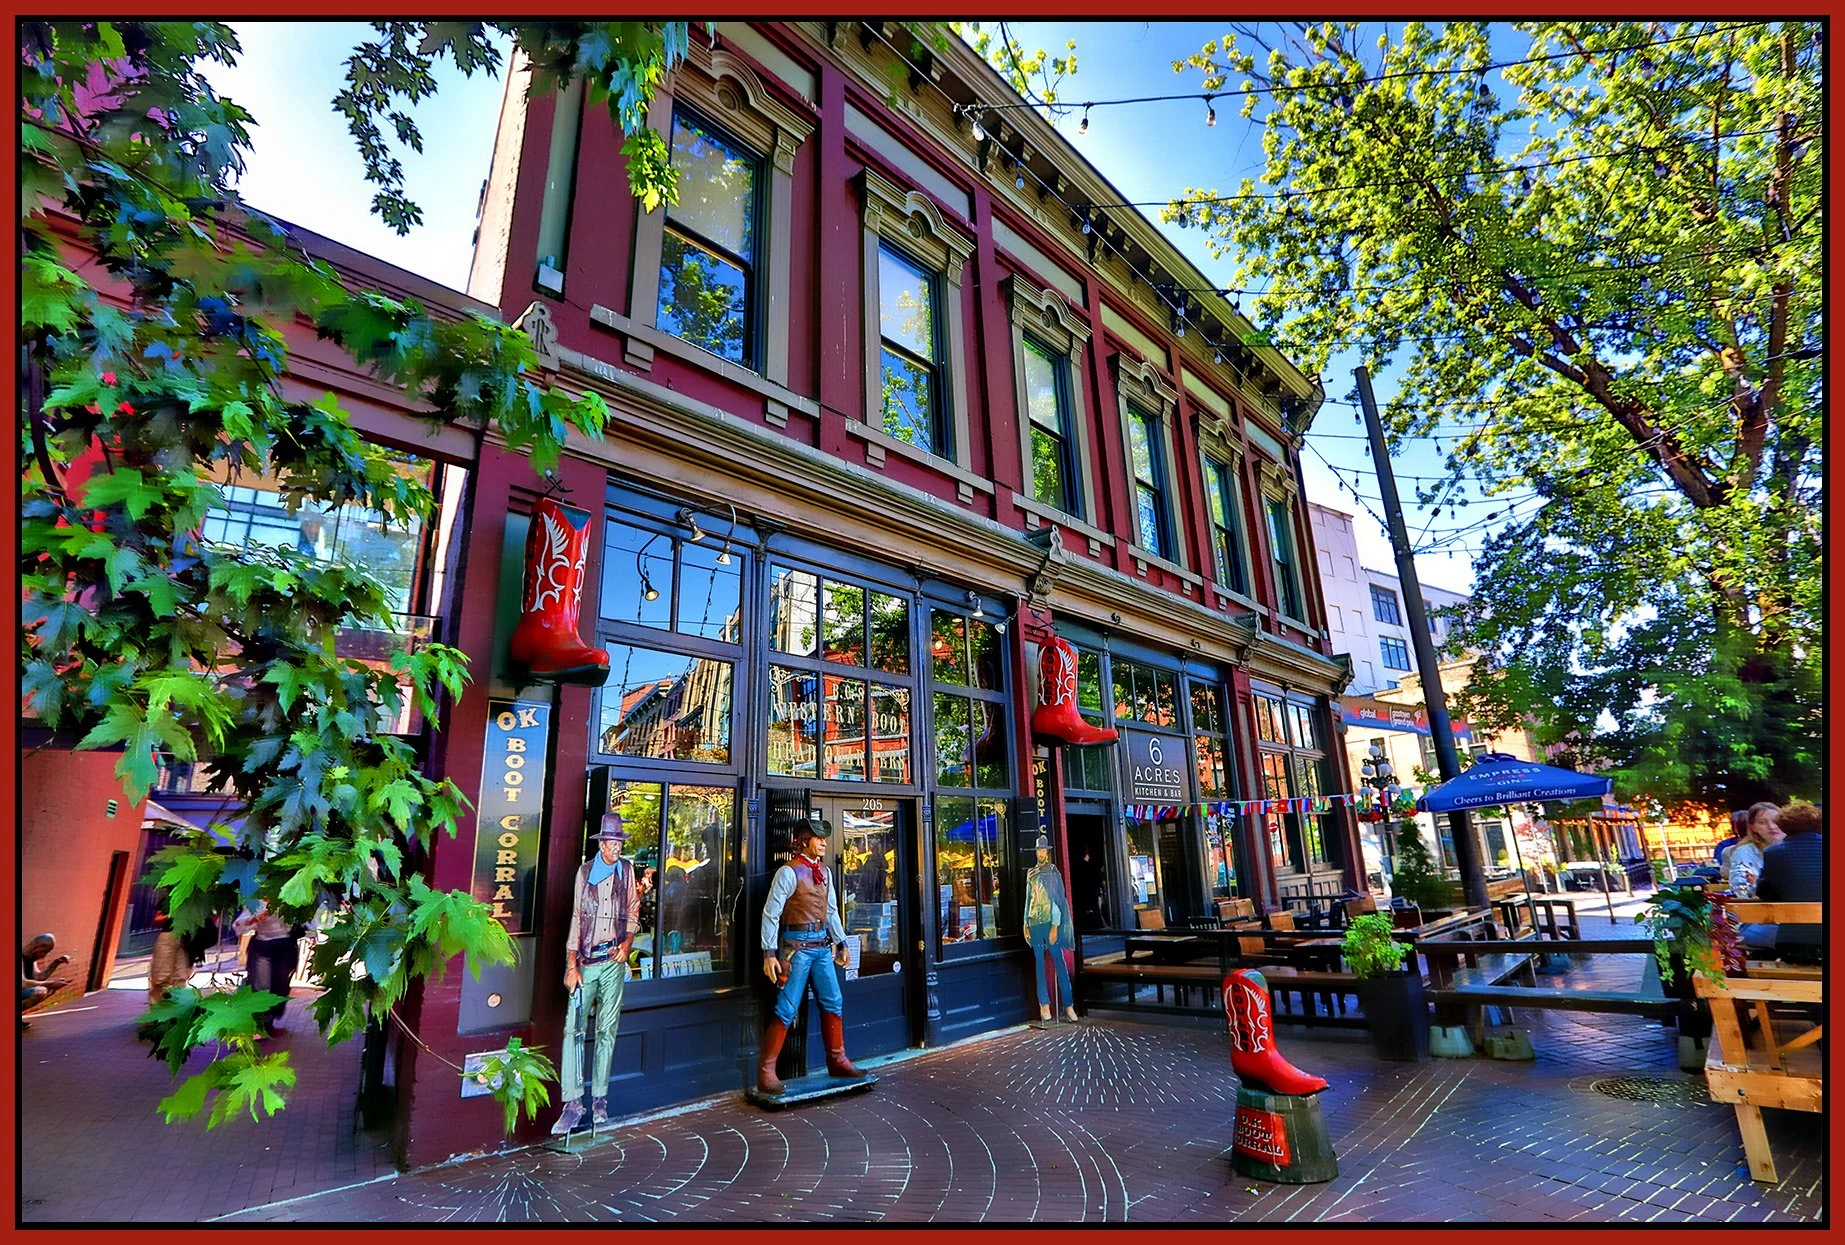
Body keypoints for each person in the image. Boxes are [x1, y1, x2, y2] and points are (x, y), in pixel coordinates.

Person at [756, 822, 866, 1095]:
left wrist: (841, 941)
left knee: (833, 1000)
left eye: (824, 839)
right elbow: (771, 913)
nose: (824, 843)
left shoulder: (825, 872)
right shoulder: (787, 872)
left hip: (820, 948)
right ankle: (767, 1071)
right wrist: (769, 952)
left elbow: (831, 911)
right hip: (797, 951)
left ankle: (837, 1060)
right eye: (818, 838)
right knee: (786, 1008)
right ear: (804, 841)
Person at [552, 814, 640, 1135]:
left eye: (619, 843)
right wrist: (570, 964)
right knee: (572, 1029)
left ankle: (600, 1099)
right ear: (601, 844)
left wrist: (627, 944)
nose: (616, 848)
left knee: (607, 1031)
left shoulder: (626, 871)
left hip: (613, 962)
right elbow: (576, 917)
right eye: (612, 842)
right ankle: (573, 1102)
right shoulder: (585, 873)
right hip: (587, 962)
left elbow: (633, 910)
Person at [1745, 801, 1823, 963]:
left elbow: (1765, 894)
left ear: (1784, 826)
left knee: (1748, 931)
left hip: (1794, 944)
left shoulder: (1773, 853)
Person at [1024, 835, 1079, 1023]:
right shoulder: (1031, 873)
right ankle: (1044, 1005)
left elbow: (1058, 899)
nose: (1041, 853)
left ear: (1047, 852)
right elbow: (1027, 899)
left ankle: (1069, 1005)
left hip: (1049, 920)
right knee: (1039, 964)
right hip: (1034, 921)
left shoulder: (1053, 872)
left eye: (1043, 850)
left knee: (1059, 962)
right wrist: (1025, 923)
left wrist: (1056, 925)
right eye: (1038, 850)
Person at [233, 901, 297, 1036]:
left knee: (281, 986)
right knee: (260, 985)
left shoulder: (290, 896)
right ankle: (260, 1025)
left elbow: (305, 919)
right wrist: (253, 920)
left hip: (285, 946)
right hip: (262, 946)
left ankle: (269, 1023)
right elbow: (239, 925)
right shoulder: (256, 901)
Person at [1724, 806, 1785, 899]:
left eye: (1776, 821)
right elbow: (1741, 889)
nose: (1771, 826)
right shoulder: (1744, 852)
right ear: (1753, 827)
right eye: (1762, 822)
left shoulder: (1796, 849)